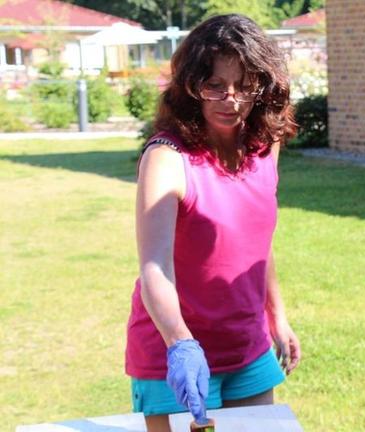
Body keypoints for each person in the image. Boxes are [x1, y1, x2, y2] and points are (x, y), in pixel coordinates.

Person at [125, 14, 301, 432]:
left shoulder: (264, 145)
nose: (232, 99)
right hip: (173, 351)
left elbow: (258, 240)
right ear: (191, 85)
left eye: (245, 85)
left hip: (247, 346)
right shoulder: (167, 158)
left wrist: (277, 315)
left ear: (263, 85)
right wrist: (181, 344)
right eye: (215, 85)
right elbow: (154, 267)